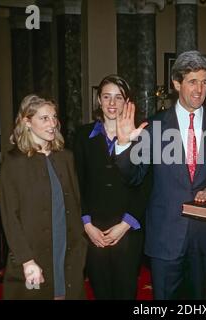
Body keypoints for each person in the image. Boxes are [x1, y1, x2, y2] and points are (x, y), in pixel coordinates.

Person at [114, 50, 206, 299]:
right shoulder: (154, 126)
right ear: (176, 83)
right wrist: (124, 145)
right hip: (165, 237)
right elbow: (133, 177)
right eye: (192, 81)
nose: (199, 89)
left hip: (203, 237)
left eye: (204, 81)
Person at [0, 94, 87, 299]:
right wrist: (26, 260)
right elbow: (9, 217)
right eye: (44, 118)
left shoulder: (66, 157)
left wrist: (81, 243)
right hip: (33, 250)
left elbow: (76, 203)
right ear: (27, 122)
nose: (52, 123)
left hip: (67, 245)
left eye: (54, 117)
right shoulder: (13, 162)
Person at [73, 75, 146, 299]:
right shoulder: (83, 135)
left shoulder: (142, 136)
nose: (112, 103)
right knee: (101, 291)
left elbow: (146, 186)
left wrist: (125, 225)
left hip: (127, 229)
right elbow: (77, 183)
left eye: (118, 97)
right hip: (93, 229)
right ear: (99, 100)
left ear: (127, 102)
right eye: (107, 97)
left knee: (126, 292)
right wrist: (87, 225)